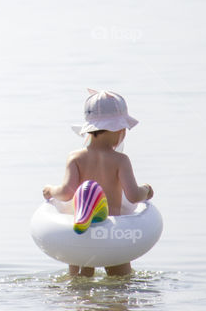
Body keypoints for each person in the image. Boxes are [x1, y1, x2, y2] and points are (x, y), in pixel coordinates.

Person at [41, 89, 153, 277]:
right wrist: (147, 190)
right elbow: (133, 195)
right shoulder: (120, 160)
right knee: (121, 280)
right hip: (112, 235)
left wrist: (51, 190)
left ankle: (83, 303)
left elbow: (67, 192)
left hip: (82, 235)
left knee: (79, 284)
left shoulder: (75, 157)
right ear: (119, 130)